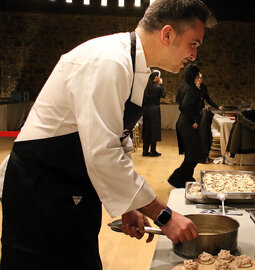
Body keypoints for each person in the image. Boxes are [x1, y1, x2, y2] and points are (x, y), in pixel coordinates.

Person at [0, 0, 216, 269]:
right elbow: (103, 153)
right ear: (168, 34)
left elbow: (117, 138)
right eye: (193, 43)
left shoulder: (135, 65)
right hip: (41, 186)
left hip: (76, 180)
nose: (194, 55)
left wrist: (129, 204)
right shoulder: (109, 60)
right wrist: (165, 216)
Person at [168, 64, 222, 187]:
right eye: (198, 74)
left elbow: (179, 101)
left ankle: (186, 177)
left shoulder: (184, 87)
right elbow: (184, 106)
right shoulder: (192, 89)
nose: (199, 76)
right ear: (195, 75)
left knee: (193, 154)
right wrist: (194, 120)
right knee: (193, 155)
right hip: (188, 123)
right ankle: (176, 178)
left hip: (184, 122)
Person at [142, 70, 166, 157]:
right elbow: (163, 94)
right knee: (154, 130)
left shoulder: (146, 86)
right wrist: (161, 84)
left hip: (146, 109)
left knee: (147, 130)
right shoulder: (157, 87)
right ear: (156, 77)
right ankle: (153, 150)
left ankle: (145, 150)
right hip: (154, 109)